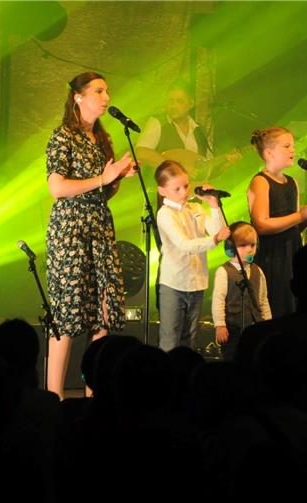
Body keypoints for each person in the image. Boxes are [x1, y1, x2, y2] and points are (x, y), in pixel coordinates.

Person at [45, 72, 136, 399]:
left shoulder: (103, 138)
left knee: (103, 312)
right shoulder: (63, 136)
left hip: (99, 225)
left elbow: (101, 193)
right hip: (70, 230)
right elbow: (57, 188)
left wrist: (117, 178)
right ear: (78, 98)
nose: (106, 97)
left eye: (107, 91)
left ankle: (92, 396)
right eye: (98, 91)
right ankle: (52, 398)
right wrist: (103, 177)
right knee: (68, 313)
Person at [247, 127, 307, 318]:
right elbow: (261, 224)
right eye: (286, 146)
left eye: (293, 146)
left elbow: (291, 227)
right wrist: (301, 215)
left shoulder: (292, 182)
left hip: (291, 253)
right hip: (271, 256)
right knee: (275, 306)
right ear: (269, 153)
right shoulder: (260, 181)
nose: (293, 150)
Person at [155, 160, 231, 352]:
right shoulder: (165, 214)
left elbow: (216, 229)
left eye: (186, 186)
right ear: (162, 191)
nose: (184, 192)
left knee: (190, 340)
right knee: (170, 341)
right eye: (177, 189)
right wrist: (213, 239)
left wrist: (213, 204)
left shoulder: (195, 208)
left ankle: (186, 378)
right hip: (174, 283)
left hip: (197, 282)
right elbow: (183, 245)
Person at [211, 221, 272, 361]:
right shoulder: (224, 271)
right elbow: (218, 300)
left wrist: (268, 324)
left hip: (255, 328)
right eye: (243, 245)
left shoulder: (258, 271)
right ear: (231, 248)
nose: (250, 249)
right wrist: (220, 325)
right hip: (233, 329)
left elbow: (263, 300)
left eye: (252, 245)